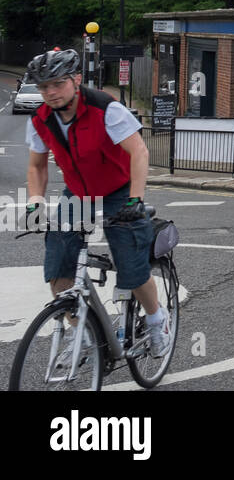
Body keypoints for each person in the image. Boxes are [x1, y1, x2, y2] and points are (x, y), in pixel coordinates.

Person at [22, 49, 170, 365]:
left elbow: (139, 152)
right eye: (43, 86)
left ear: (76, 80)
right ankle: (79, 335)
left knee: (131, 266)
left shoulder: (106, 109)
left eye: (57, 84)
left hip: (119, 190)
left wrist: (135, 199)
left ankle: (157, 320)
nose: (50, 92)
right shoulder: (40, 119)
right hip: (78, 194)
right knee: (59, 264)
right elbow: (37, 167)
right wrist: (35, 202)